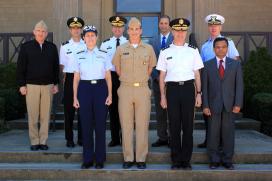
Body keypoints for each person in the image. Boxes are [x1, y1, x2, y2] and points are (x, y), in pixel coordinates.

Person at [156, 18, 203, 170]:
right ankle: (176, 160)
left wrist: (198, 93)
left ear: (186, 32)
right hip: (173, 91)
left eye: (183, 30)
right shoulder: (165, 51)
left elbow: (197, 75)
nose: (180, 33)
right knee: (174, 126)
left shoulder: (193, 50)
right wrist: (163, 96)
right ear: (173, 31)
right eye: (177, 30)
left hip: (189, 89)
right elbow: (162, 76)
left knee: (188, 127)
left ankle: (186, 160)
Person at [112, 17, 157, 169]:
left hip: (142, 89)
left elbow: (151, 68)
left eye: (137, 28)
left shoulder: (148, 49)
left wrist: (142, 79)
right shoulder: (121, 49)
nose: (134, 31)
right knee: (126, 125)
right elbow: (117, 69)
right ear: (127, 31)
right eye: (131, 29)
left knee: (142, 125)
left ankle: (141, 158)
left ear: (141, 31)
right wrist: (127, 79)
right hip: (125, 89)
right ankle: (128, 157)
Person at [73, 25, 112, 169]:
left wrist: (110, 95)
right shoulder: (78, 55)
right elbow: (76, 78)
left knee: (100, 125)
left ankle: (100, 159)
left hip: (100, 88)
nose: (90, 38)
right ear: (83, 38)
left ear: (96, 37)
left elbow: (108, 76)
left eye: (92, 35)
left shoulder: (104, 54)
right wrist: (75, 98)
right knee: (86, 125)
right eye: (87, 35)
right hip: (84, 89)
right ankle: (88, 158)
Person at [198, 13, 240, 148]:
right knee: (208, 116)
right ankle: (209, 140)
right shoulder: (205, 46)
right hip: (210, 86)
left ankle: (222, 142)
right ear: (208, 27)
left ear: (220, 26)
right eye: (211, 25)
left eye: (216, 25)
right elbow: (201, 67)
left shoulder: (229, 43)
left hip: (225, 85)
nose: (213, 28)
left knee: (225, 118)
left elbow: (235, 62)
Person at [17, 20, 59, 151]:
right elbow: (20, 68)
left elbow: (55, 68)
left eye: (43, 31)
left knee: (45, 115)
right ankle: (34, 141)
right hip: (31, 86)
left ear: (46, 33)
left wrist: (56, 83)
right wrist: (21, 85)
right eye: (38, 31)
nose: (41, 33)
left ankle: (43, 140)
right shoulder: (26, 47)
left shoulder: (52, 47)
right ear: (34, 32)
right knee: (33, 115)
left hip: (48, 86)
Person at [202, 37, 243, 170]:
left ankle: (227, 160)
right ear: (214, 49)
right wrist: (205, 105)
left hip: (230, 105)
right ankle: (213, 159)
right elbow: (205, 87)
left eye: (223, 47)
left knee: (228, 133)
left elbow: (239, 86)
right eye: (218, 47)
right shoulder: (207, 65)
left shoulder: (235, 64)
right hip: (213, 105)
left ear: (227, 48)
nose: (221, 49)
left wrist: (238, 103)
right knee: (213, 133)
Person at [100, 15, 128, 147]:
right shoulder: (105, 44)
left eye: (120, 26)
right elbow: (102, 64)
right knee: (112, 110)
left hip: (125, 78)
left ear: (123, 28)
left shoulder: (128, 43)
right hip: (110, 78)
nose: (117, 29)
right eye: (115, 26)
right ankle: (115, 138)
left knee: (125, 110)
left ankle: (125, 138)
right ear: (112, 28)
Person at [60, 17, 85, 148]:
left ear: (81, 30)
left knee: (83, 111)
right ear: (70, 30)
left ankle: (81, 138)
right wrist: (65, 81)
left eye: (78, 28)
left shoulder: (87, 44)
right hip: (70, 79)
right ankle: (69, 138)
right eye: (73, 28)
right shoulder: (64, 46)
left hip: (84, 79)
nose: (76, 30)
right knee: (69, 111)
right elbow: (62, 66)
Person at [150, 15, 173, 147]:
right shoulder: (153, 41)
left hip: (171, 81)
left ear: (169, 25)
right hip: (157, 80)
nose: (163, 25)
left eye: (166, 23)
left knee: (172, 111)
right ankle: (162, 137)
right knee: (160, 111)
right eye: (161, 23)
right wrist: (156, 76)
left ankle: (171, 137)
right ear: (159, 25)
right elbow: (150, 61)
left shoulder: (175, 39)